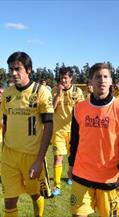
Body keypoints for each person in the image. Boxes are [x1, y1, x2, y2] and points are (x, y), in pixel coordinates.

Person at [68, 63, 119, 217]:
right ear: (90, 82)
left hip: (109, 178)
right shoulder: (79, 109)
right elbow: (75, 141)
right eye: (98, 77)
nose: (102, 80)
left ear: (111, 81)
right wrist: (71, 163)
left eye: (106, 76)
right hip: (82, 174)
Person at [1, 51, 53, 217]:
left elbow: (48, 126)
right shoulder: (7, 94)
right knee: (9, 199)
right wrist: (3, 146)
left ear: (29, 69)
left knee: (35, 194)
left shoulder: (41, 92)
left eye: (18, 69)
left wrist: (39, 160)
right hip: (9, 155)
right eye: (11, 69)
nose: (14, 73)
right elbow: (5, 123)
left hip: (32, 156)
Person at [50, 67, 84, 197]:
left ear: (71, 78)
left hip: (74, 131)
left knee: (73, 158)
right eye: (61, 78)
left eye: (65, 78)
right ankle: (56, 185)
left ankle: (71, 176)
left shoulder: (77, 91)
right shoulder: (54, 90)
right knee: (58, 157)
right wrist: (58, 95)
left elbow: (81, 111)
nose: (63, 80)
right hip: (58, 130)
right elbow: (51, 108)